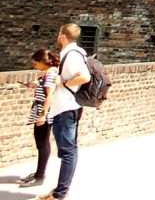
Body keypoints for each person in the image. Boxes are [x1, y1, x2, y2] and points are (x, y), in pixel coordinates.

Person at [39, 24, 91, 200]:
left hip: (66, 108)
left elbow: (85, 76)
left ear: (62, 36)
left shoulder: (71, 54)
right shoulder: (77, 52)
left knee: (68, 151)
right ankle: (59, 191)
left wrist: (63, 83)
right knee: (70, 150)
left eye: (58, 33)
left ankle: (60, 194)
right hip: (68, 107)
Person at [17, 49, 60, 189]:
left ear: (44, 62)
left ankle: (40, 176)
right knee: (41, 142)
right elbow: (45, 89)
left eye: (36, 63)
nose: (34, 66)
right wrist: (35, 85)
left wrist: (42, 114)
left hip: (44, 112)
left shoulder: (51, 73)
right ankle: (38, 173)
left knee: (42, 143)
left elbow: (50, 95)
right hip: (43, 111)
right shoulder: (50, 72)